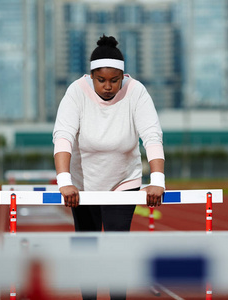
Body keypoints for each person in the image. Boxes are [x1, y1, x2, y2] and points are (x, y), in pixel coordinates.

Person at [52, 35, 165, 300]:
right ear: (90, 76)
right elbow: (63, 136)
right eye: (101, 80)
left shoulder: (136, 91)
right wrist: (64, 181)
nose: (108, 87)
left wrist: (157, 179)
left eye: (115, 80)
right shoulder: (76, 92)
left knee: (116, 247)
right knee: (88, 247)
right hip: (83, 183)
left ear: (123, 76)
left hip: (123, 180)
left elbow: (151, 135)